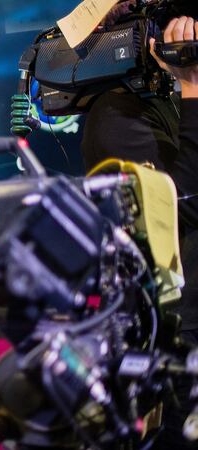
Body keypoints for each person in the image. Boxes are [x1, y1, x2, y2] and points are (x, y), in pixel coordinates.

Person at [81, 15, 198, 449]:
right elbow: (183, 202)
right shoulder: (114, 116)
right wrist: (192, 85)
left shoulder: (163, 101)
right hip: (175, 332)